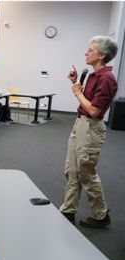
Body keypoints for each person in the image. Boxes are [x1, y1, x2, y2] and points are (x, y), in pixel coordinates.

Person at [59, 36, 118, 228]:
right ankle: (68, 210)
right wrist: (77, 84)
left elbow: (94, 110)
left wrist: (77, 92)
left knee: (86, 173)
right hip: (80, 125)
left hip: (91, 127)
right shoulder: (94, 75)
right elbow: (88, 102)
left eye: (90, 50)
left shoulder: (107, 79)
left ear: (101, 55)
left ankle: (101, 215)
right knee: (72, 171)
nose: (86, 52)